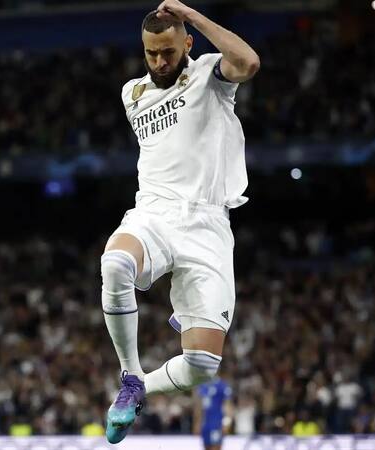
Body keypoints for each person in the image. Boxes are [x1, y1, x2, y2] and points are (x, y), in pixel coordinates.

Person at [100, 0, 259, 443]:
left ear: (187, 42)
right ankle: (130, 375)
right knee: (115, 264)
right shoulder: (132, 93)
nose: (159, 61)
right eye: (151, 53)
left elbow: (247, 61)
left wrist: (192, 15)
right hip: (154, 213)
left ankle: (140, 388)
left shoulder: (210, 73)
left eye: (169, 51)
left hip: (208, 224)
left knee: (202, 366)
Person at [194, 379, 233, 450]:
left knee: (216, 447)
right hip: (205, 425)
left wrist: (226, 423)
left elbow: (228, 407)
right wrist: (197, 423)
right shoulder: (202, 386)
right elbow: (199, 407)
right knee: (206, 447)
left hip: (217, 424)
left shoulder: (222, 386)